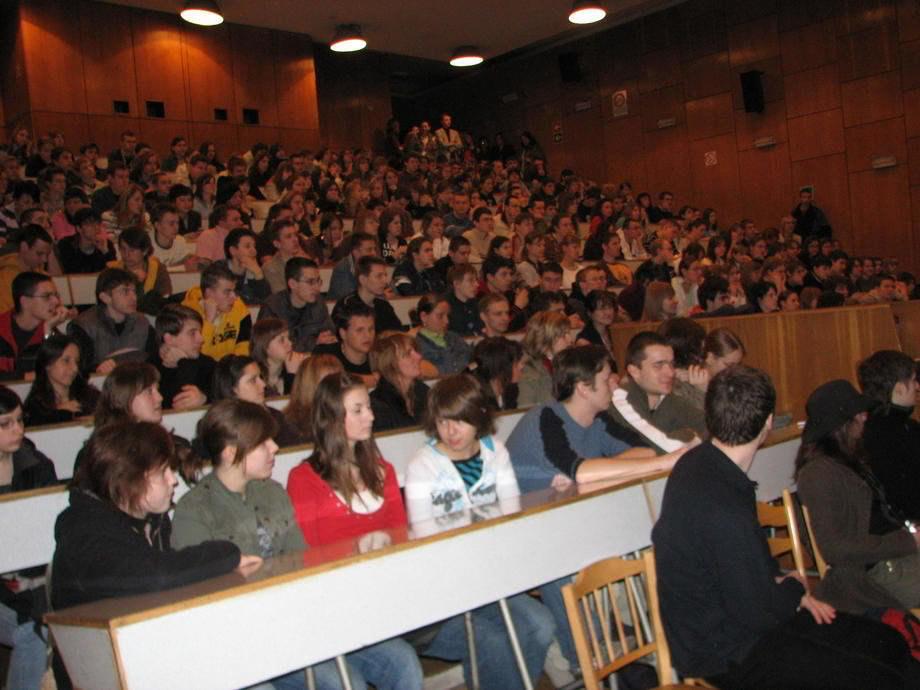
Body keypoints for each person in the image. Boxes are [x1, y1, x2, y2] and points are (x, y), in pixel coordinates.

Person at [658, 365, 920, 689]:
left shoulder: (702, 464)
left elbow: (748, 575)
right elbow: (756, 612)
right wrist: (794, 590)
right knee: (875, 674)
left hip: (737, 627)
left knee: (887, 643)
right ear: (768, 423)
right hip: (727, 652)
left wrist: (786, 587)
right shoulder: (722, 502)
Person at [51, 421, 255, 688]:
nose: (173, 480)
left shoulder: (152, 519)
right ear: (128, 479)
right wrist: (229, 553)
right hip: (101, 671)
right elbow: (157, 575)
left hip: (153, 653)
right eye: (162, 472)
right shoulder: (83, 530)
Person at [172, 399, 356, 690]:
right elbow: (203, 598)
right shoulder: (194, 511)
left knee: (397, 663)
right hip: (239, 640)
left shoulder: (273, 493)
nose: (275, 447)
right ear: (231, 452)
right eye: (263, 443)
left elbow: (300, 558)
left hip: (293, 622)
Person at [404, 374, 556, 690]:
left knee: (541, 625)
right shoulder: (423, 465)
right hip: (447, 584)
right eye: (443, 422)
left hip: (492, 573)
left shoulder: (495, 452)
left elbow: (511, 515)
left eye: (460, 420)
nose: (451, 431)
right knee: (495, 644)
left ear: (479, 416)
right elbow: (426, 538)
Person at [286, 372, 425, 690]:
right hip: (337, 606)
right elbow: (308, 557)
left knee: (405, 661)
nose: (371, 417)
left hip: (387, 595)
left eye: (369, 407)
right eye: (358, 410)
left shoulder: (383, 470)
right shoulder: (304, 479)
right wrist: (357, 551)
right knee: (385, 668)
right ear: (332, 419)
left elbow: (400, 536)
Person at [796, 379, 920, 612]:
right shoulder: (818, 474)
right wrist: (908, 541)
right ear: (840, 423)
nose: (864, 417)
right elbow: (835, 548)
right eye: (858, 413)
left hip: (892, 557)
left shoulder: (848, 460)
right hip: (871, 574)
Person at [607, 331, 707, 442]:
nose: (670, 373)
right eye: (658, 365)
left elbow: (710, 427)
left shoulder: (669, 399)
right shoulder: (623, 401)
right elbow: (649, 444)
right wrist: (688, 435)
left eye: (671, 364)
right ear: (634, 371)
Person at [858, 350, 920, 521]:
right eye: (913, 380)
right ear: (899, 388)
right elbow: (903, 494)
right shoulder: (889, 433)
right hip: (904, 525)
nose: (917, 387)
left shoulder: (870, 427)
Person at [68, 268, 156, 375]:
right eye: (125, 291)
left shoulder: (142, 322)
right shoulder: (84, 326)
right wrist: (97, 369)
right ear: (105, 298)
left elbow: (154, 361)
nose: (134, 298)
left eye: (134, 291)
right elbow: (79, 370)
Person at [210, 354, 301, 447]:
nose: (263, 384)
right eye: (252, 380)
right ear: (232, 388)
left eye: (260, 377)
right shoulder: (216, 427)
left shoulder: (276, 417)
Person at [0, 271, 72, 378]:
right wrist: (23, 376)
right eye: (46, 296)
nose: (56, 301)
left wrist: (48, 329)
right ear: (25, 302)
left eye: (56, 295)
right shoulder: (2, 328)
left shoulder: (49, 328)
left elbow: (59, 367)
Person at [258, 257, 336, 353]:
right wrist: (313, 343)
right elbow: (268, 347)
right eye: (310, 282)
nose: (317, 288)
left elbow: (329, 333)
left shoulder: (319, 302)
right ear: (292, 284)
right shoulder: (272, 307)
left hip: (313, 359)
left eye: (318, 281)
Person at [22, 335, 99, 426]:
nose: (75, 368)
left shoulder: (91, 396)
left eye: (77, 361)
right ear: (47, 364)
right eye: (66, 361)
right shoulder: (35, 406)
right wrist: (60, 412)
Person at [181, 262, 252, 360]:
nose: (234, 297)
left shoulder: (239, 308)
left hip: (231, 366)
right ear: (209, 293)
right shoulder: (187, 315)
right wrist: (209, 321)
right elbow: (197, 357)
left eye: (234, 291)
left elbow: (244, 348)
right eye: (227, 292)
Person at [152, 304, 213, 410]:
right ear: (169, 339)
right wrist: (184, 363)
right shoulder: (150, 370)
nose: (201, 339)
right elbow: (177, 403)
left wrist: (205, 399)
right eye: (192, 333)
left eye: (200, 332)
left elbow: (227, 397)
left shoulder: (208, 364)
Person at [369, 332, 430, 431]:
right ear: (390, 363)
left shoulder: (424, 392)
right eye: (408, 354)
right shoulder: (378, 404)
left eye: (415, 351)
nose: (419, 356)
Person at [313, 298, 378, 387]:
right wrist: (371, 379)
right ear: (343, 334)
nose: (367, 335)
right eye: (359, 330)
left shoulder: (381, 356)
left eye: (371, 329)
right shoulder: (326, 355)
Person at [108, 227, 172, 315]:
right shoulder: (113, 270)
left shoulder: (158, 268)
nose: (126, 254)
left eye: (132, 250)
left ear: (145, 251)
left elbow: (164, 298)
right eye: (123, 249)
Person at [283, 355, 344, 444]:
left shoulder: (346, 414)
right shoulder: (290, 426)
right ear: (309, 386)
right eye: (329, 383)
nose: (338, 388)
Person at [518, 310, 573, 407]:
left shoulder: (571, 364)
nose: (570, 340)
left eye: (569, 333)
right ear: (546, 339)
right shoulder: (529, 373)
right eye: (563, 335)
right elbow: (525, 410)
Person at [335, 256, 404, 333]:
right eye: (379, 276)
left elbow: (398, 334)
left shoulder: (384, 305)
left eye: (385, 275)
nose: (385, 281)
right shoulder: (347, 305)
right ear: (363, 279)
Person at [0, 226, 54, 314]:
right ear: (24, 247)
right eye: (39, 253)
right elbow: (5, 315)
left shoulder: (42, 274)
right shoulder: (5, 277)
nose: (45, 260)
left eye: (47, 255)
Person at [415, 293, 472, 375]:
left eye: (448, 315)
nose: (447, 321)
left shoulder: (455, 337)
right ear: (423, 316)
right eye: (440, 316)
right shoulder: (416, 346)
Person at [251, 318, 304, 396]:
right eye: (282, 340)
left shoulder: (295, 368)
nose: (290, 343)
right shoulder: (253, 378)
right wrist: (292, 376)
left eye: (288, 338)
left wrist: (293, 374)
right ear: (265, 346)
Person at [470, 336, 523, 411]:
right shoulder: (479, 400)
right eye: (516, 363)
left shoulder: (512, 390)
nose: (521, 366)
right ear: (500, 368)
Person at [57, 207, 116, 273]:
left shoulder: (107, 244)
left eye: (98, 223)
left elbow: (114, 273)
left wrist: (105, 251)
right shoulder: (66, 245)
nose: (96, 227)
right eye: (90, 224)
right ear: (79, 228)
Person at [327, 232, 378, 300]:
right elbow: (348, 297)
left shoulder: (374, 265)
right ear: (356, 252)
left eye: (374, 249)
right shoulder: (342, 268)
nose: (374, 253)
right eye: (369, 250)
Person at [575, 290, 617, 357]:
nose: (608, 312)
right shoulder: (584, 341)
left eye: (610, 307)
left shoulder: (615, 331)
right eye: (602, 309)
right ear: (589, 313)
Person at [446, 263, 484, 336]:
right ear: (456, 284)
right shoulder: (445, 307)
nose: (477, 284)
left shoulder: (478, 302)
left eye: (476, 280)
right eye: (471, 280)